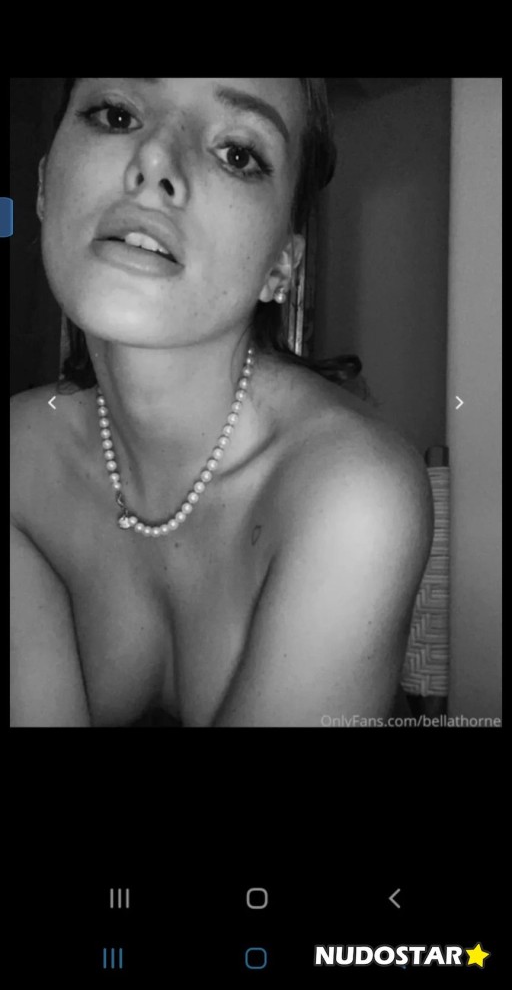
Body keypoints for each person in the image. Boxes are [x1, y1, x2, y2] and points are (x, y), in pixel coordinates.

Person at [10, 77, 433, 727]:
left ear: (281, 265)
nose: (156, 158)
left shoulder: (353, 495)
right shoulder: (18, 468)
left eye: (238, 153)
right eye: (116, 114)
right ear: (43, 186)